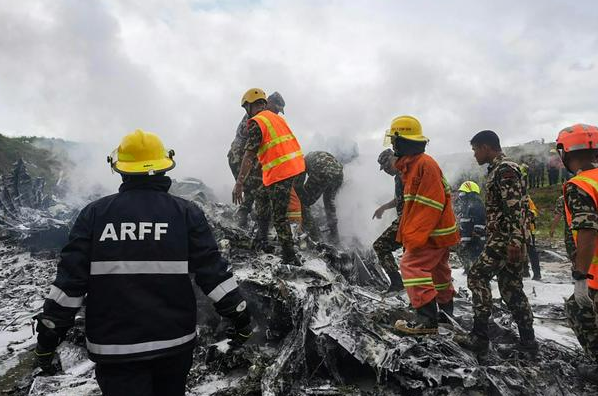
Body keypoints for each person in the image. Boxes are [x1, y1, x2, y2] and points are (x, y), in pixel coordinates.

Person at [33, 130, 252, 396]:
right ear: (163, 167)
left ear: (122, 170)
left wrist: (47, 340)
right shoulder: (185, 213)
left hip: (115, 351)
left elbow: (69, 286)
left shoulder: (94, 214)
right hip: (174, 345)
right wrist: (240, 316)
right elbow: (213, 273)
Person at [455, 130, 537, 355]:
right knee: (511, 289)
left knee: (477, 276)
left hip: (504, 239)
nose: (474, 155)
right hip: (507, 238)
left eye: (475, 150)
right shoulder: (500, 169)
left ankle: (479, 335)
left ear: (486, 147)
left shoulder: (504, 169)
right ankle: (529, 342)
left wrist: (514, 240)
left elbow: (514, 207)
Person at [385, 116, 459, 335]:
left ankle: (427, 321)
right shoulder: (415, 165)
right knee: (438, 274)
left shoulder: (423, 165)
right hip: (438, 234)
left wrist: (414, 238)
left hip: (431, 234)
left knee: (412, 266)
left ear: (403, 140)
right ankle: (445, 317)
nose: (392, 145)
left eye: (394, 140)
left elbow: (428, 205)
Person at [233, 88, 305, 265]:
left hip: (282, 170)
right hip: (287, 167)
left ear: (250, 106)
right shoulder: (276, 118)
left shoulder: (258, 122)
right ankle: (261, 239)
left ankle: (290, 256)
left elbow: (249, 156)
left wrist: (239, 184)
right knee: (262, 197)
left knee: (279, 215)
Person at [556, 123, 598, 384]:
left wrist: (580, 276)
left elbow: (586, 229)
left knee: (576, 309)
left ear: (566, 152)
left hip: (595, 274)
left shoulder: (579, 184)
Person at [227, 92, 286, 228]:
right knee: (257, 189)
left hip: (247, 158)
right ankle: (255, 227)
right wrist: (239, 182)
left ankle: (246, 222)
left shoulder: (264, 115)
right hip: (241, 157)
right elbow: (251, 150)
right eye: (277, 109)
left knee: (254, 189)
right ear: (269, 103)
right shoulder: (259, 116)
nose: (277, 113)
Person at [372, 148, 404, 293]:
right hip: (406, 220)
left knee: (380, 245)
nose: (386, 171)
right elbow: (399, 199)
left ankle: (397, 284)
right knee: (411, 257)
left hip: (409, 220)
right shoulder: (398, 176)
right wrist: (383, 208)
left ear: (393, 159)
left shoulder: (405, 173)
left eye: (386, 167)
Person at [294, 151, 344, 244]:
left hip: (322, 171)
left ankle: (315, 237)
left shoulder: (301, 162)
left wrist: (303, 198)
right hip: (339, 174)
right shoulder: (316, 155)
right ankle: (335, 235)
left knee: (303, 203)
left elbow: (297, 186)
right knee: (329, 203)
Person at [455, 181, 486, 275]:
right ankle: (469, 269)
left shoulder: (476, 205)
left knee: (475, 255)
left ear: (470, 193)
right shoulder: (466, 206)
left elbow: (480, 221)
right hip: (466, 237)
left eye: (463, 193)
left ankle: (477, 273)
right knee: (464, 253)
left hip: (475, 238)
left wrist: (476, 235)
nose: (461, 195)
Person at [526, 196, 542, 280]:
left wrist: (529, 214)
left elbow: (534, 212)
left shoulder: (526, 198)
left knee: (531, 250)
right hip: (515, 228)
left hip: (529, 229)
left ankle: (537, 273)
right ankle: (525, 272)